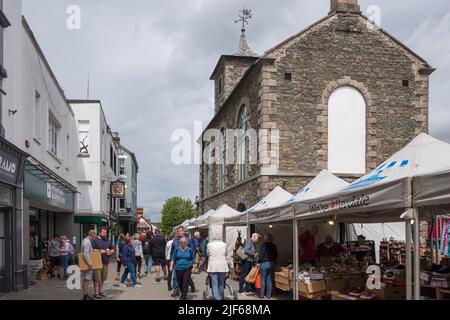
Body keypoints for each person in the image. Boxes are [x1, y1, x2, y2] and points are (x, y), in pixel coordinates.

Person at [170, 226, 196, 297]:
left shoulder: (188, 240)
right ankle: (176, 290)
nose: (179, 232)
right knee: (176, 278)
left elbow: (193, 251)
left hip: (187, 264)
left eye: (180, 231)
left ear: (184, 231)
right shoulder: (175, 241)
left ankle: (192, 285)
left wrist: (193, 264)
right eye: (178, 231)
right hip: (177, 264)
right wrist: (171, 262)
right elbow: (172, 252)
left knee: (187, 279)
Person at [92, 228, 115, 299]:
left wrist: (111, 251)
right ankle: (96, 293)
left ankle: (100, 291)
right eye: (104, 233)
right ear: (99, 233)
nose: (105, 234)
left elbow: (113, 248)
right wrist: (99, 251)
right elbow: (91, 250)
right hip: (97, 262)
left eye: (106, 233)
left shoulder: (108, 240)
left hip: (105, 262)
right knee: (97, 278)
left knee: (103, 278)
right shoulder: (95, 240)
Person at [206, 236, 229, 300]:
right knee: (221, 284)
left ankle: (217, 298)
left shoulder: (209, 245)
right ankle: (220, 298)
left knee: (214, 284)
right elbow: (226, 254)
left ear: (213, 239)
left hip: (213, 266)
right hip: (222, 266)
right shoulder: (224, 244)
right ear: (220, 238)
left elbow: (208, 254)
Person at [257, 234, 278, 299]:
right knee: (269, 279)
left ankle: (262, 295)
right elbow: (276, 256)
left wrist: (258, 261)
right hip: (272, 263)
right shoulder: (274, 246)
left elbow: (261, 254)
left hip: (264, 263)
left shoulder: (264, 245)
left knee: (262, 279)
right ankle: (269, 295)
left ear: (266, 238)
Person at [81, 230, 96, 300]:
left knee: (86, 279)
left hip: (85, 262)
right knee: (87, 279)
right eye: (94, 234)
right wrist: (89, 264)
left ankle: (85, 294)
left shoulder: (85, 240)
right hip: (87, 263)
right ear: (92, 234)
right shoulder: (87, 241)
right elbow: (86, 253)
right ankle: (85, 295)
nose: (95, 236)